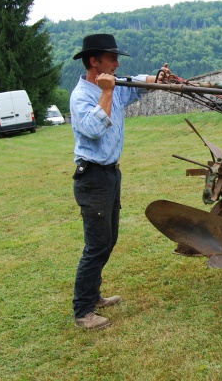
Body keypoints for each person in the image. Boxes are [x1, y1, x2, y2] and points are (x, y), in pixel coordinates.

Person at [70, 33, 171, 330]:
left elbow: (138, 84)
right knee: (97, 244)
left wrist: (158, 78)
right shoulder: (82, 96)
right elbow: (93, 129)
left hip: (111, 173)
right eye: (112, 58)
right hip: (93, 176)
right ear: (94, 61)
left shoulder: (114, 85)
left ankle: (94, 295)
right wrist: (107, 92)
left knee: (108, 239)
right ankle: (83, 311)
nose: (116, 64)